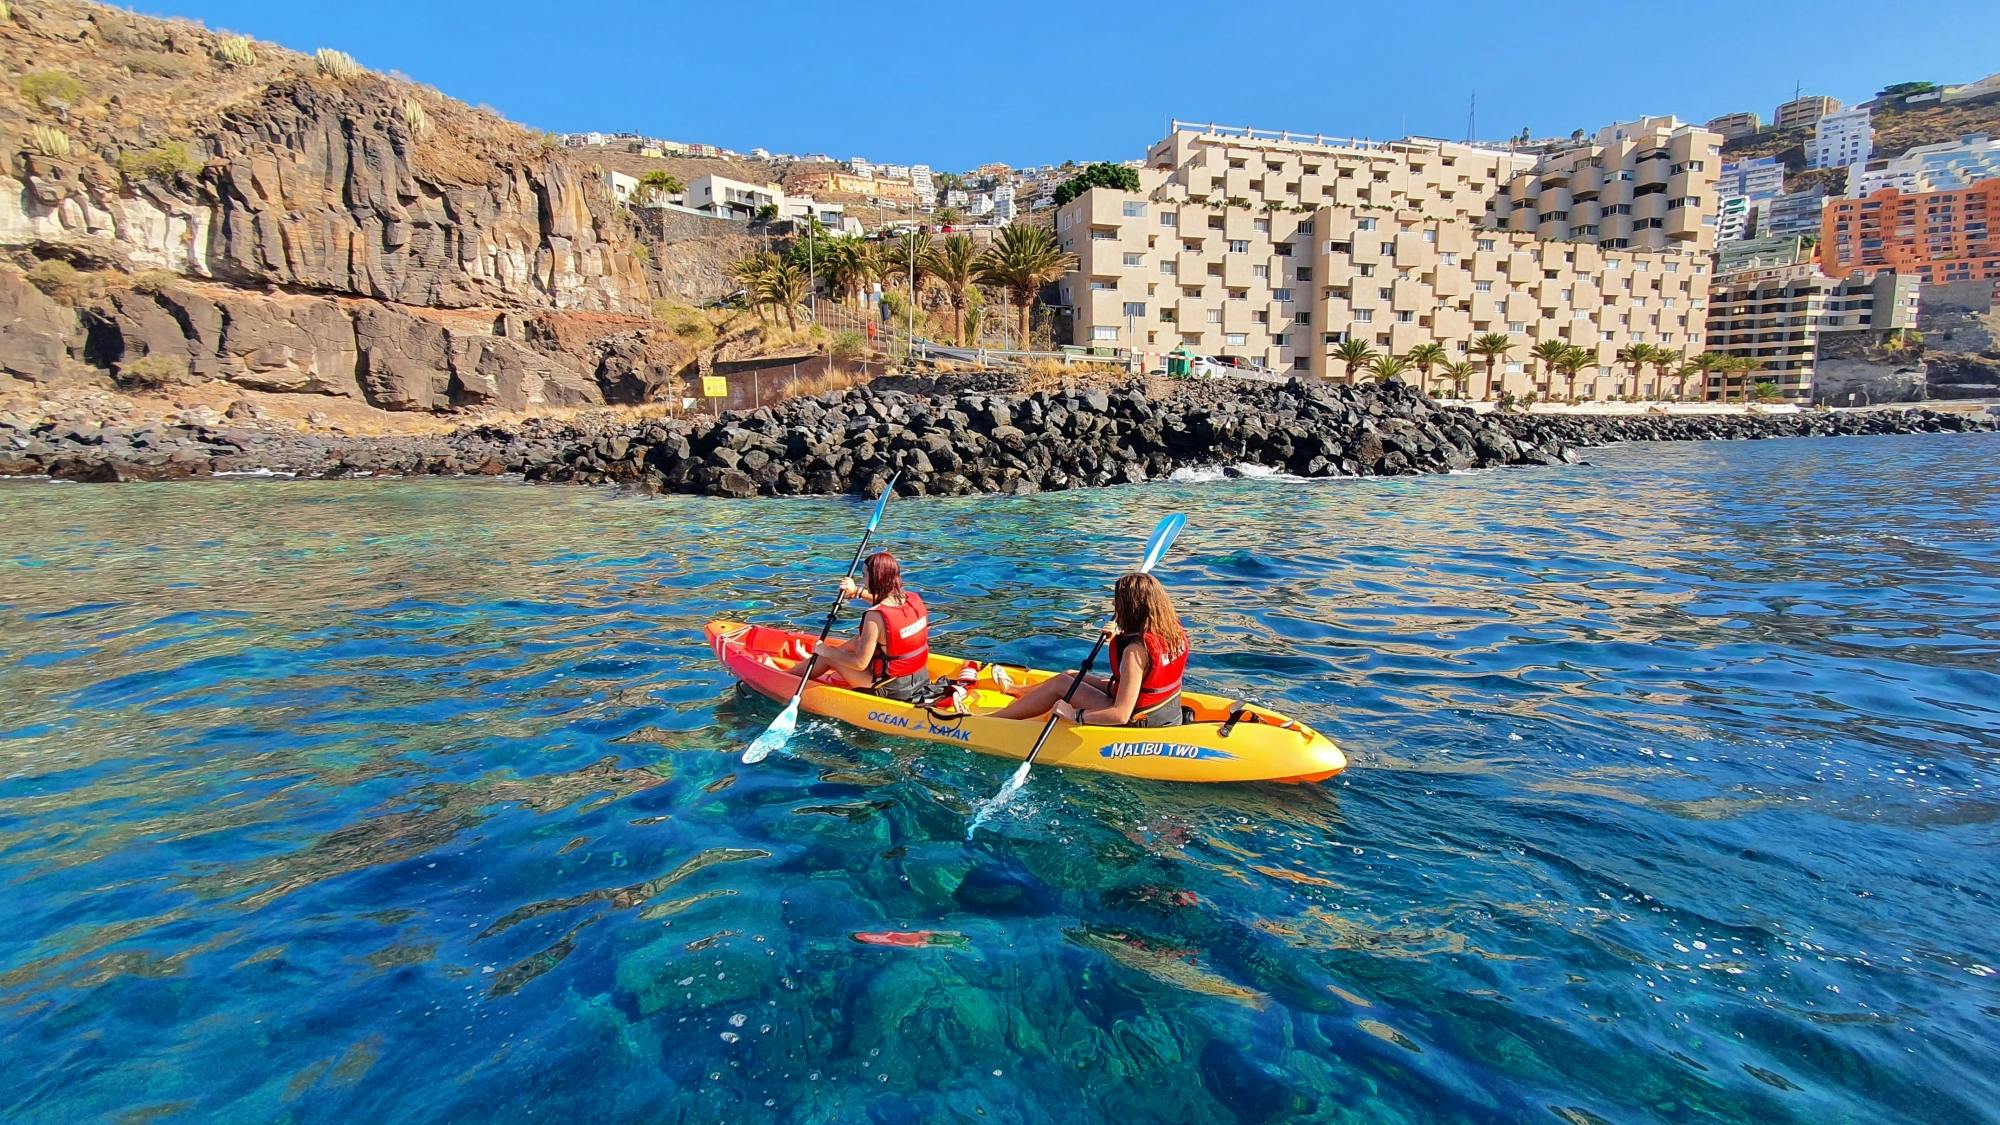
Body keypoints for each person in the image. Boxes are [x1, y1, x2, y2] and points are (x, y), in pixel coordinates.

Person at [992, 573, 1187, 727]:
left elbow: (1120, 714)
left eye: (1117, 601)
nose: (1112, 604)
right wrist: (1117, 638)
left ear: (1132, 608)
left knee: (1062, 684)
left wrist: (1073, 714)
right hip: (1165, 710)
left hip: (1139, 719)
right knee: (1070, 675)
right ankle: (1016, 690)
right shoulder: (1171, 629)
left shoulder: (1136, 651)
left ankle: (991, 720)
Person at [810, 550, 932, 702]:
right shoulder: (912, 600)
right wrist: (856, 592)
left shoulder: (874, 617)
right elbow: (886, 604)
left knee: (828, 656)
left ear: (875, 579)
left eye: (864, 576)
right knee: (859, 640)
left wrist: (826, 651)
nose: (863, 580)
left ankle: (786, 674)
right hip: (919, 678)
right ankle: (811, 661)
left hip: (890, 689)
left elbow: (860, 664)